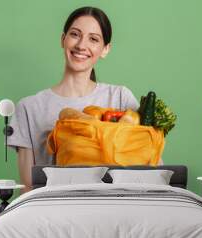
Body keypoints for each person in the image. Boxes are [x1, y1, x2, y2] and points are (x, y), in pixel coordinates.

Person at [8, 7, 139, 193]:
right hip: (53, 211)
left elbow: (148, 168)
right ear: (63, 40)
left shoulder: (120, 99)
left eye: (93, 39)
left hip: (113, 209)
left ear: (105, 49)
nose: (81, 45)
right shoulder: (29, 108)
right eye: (75, 34)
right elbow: (29, 187)